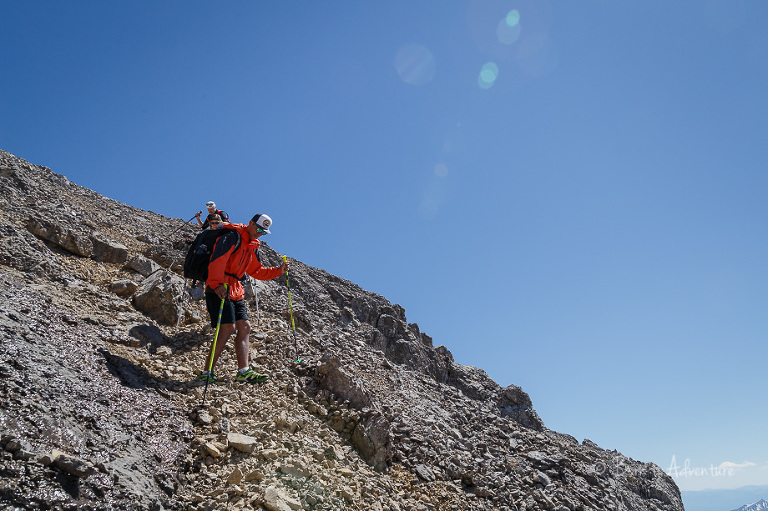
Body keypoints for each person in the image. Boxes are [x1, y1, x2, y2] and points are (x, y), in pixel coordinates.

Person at [195, 213, 288, 384]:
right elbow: (217, 260)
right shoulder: (232, 236)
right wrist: (216, 285)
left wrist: (278, 271)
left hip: (235, 289)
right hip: (219, 287)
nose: (259, 233)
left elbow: (256, 271)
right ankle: (206, 372)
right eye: (258, 229)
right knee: (227, 328)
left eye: (263, 232)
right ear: (251, 223)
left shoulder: (252, 245)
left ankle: (243, 371)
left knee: (244, 327)